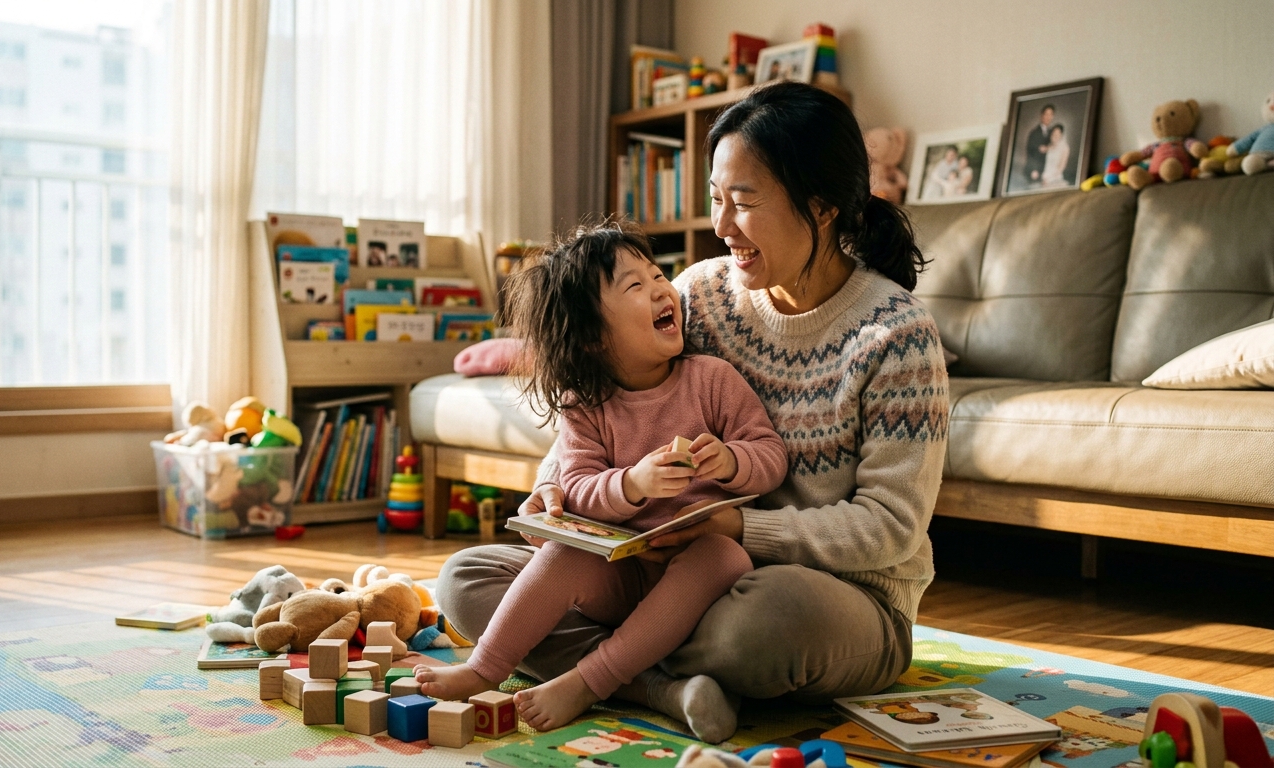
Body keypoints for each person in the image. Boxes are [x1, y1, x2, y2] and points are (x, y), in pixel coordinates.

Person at [437, 81, 949, 743]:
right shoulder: (697, 296)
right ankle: (664, 688)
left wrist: (742, 530)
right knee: (467, 581)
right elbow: (602, 400)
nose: (721, 226)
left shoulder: (895, 337)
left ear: (819, 207)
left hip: (828, 596)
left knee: (759, 628)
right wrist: (552, 493)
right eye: (715, 199)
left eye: (743, 202)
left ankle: (619, 666)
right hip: (658, 571)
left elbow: (889, 529)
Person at [414, 222, 788, 732]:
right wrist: (633, 484)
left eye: (658, 275)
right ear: (591, 338)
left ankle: (589, 681)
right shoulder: (584, 406)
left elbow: (770, 455)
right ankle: (486, 667)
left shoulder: (711, 379)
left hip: (697, 579)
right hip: (619, 572)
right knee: (541, 556)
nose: (662, 288)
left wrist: (731, 461)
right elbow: (580, 490)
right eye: (636, 286)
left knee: (724, 554)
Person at [1024, 104, 1056, 185]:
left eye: (1051, 114)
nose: (1048, 117)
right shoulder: (1034, 133)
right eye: (1046, 114)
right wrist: (1033, 170)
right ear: (1042, 115)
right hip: (1036, 172)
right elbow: (1030, 152)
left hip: (1049, 171)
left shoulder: (1053, 133)